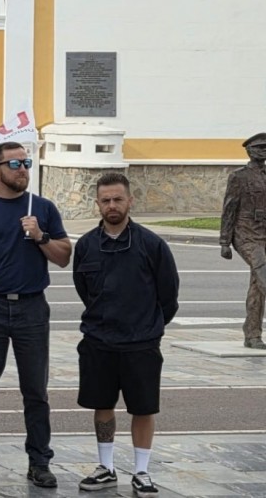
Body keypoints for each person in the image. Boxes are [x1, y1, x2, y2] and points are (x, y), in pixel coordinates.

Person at [0, 141, 70, 489]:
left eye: (26, 162)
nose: (23, 169)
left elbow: (64, 256)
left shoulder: (43, 208)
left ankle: (39, 461)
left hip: (32, 307)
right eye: (16, 164)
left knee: (35, 389)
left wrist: (40, 236)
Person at [73, 172, 179, 497]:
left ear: (130, 200)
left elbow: (169, 296)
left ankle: (142, 471)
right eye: (105, 200)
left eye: (118, 199)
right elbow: (84, 289)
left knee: (143, 408)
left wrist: (149, 328)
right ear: (98, 204)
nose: (112, 205)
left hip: (141, 344)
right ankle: (106, 467)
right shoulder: (87, 245)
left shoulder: (151, 245)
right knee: (102, 406)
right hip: (98, 343)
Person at [219, 132, 266, 349]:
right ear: (250, 151)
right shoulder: (239, 177)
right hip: (246, 233)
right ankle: (253, 335)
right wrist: (225, 241)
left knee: (257, 284)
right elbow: (229, 208)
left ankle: (252, 335)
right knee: (263, 273)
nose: (264, 152)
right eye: (260, 148)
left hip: (264, 233)